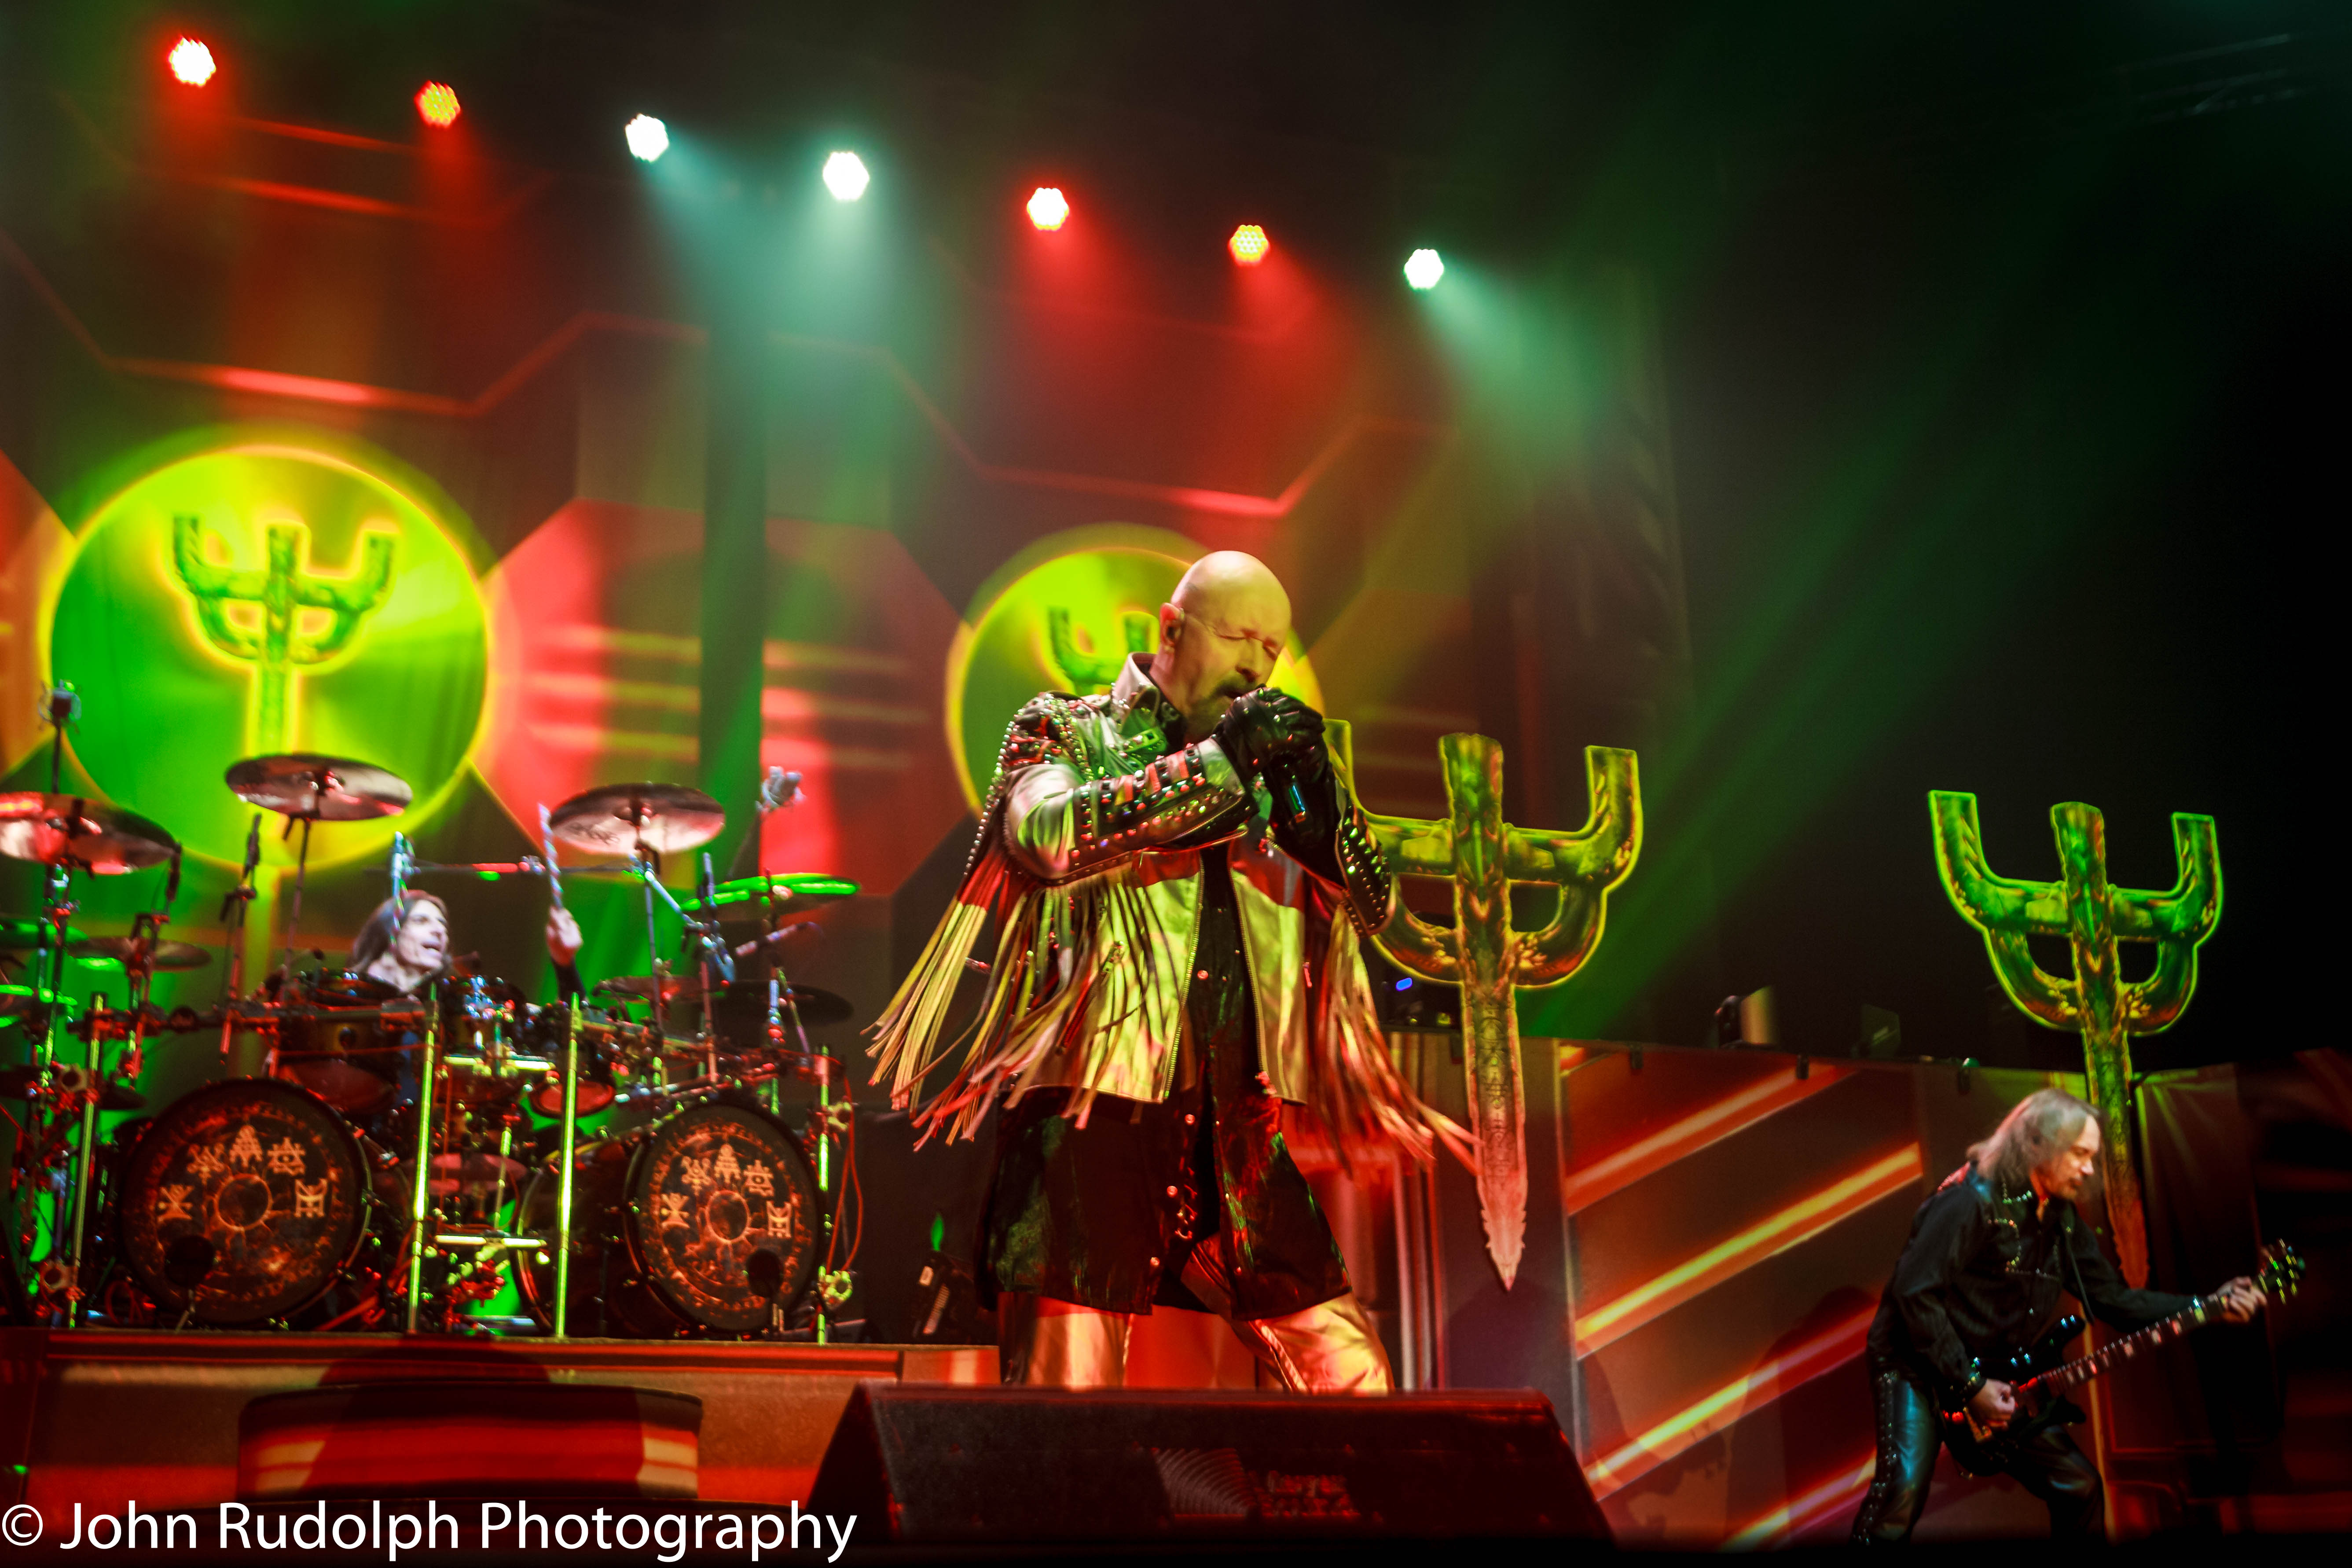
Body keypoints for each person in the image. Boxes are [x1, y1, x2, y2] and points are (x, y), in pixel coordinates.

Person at [873, 550, 1459, 1393]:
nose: (1256, 665)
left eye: (1272, 648)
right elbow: (1043, 836)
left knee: (1351, 1372)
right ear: (1172, 629)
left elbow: (1376, 907)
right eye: (1238, 636)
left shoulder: (1269, 773)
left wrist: (1326, 821)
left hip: (1236, 1132)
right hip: (1089, 1120)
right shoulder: (1068, 726)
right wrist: (1215, 765)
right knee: (1067, 1405)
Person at [1852, 1087, 2265, 1541]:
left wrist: (2206, 1306)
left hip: (1991, 1374)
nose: (2089, 1168)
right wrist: (1968, 1385)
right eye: (2079, 1153)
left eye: (2092, 1155)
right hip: (1914, 1360)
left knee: (2079, 1486)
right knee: (1902, 1492)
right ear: (2036, 1144)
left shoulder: (2061, 1219)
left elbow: (2114, 1300)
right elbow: (1914, 1294)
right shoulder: (1969, 1201)